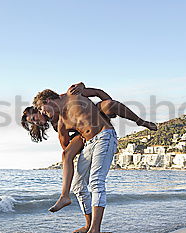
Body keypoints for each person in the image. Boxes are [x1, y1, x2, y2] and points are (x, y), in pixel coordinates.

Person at [22, 83, 157, 233]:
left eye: (40, 111)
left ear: (47, 101)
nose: (42, 115)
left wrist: (106, 111)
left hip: (103, 135)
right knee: (78, 187)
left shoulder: (72, 94)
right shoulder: (60, 123)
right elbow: (65, 146)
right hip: (87, 143)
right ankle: (86, 222)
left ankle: (95, 229)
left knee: (96, 181)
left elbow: (98, 92)